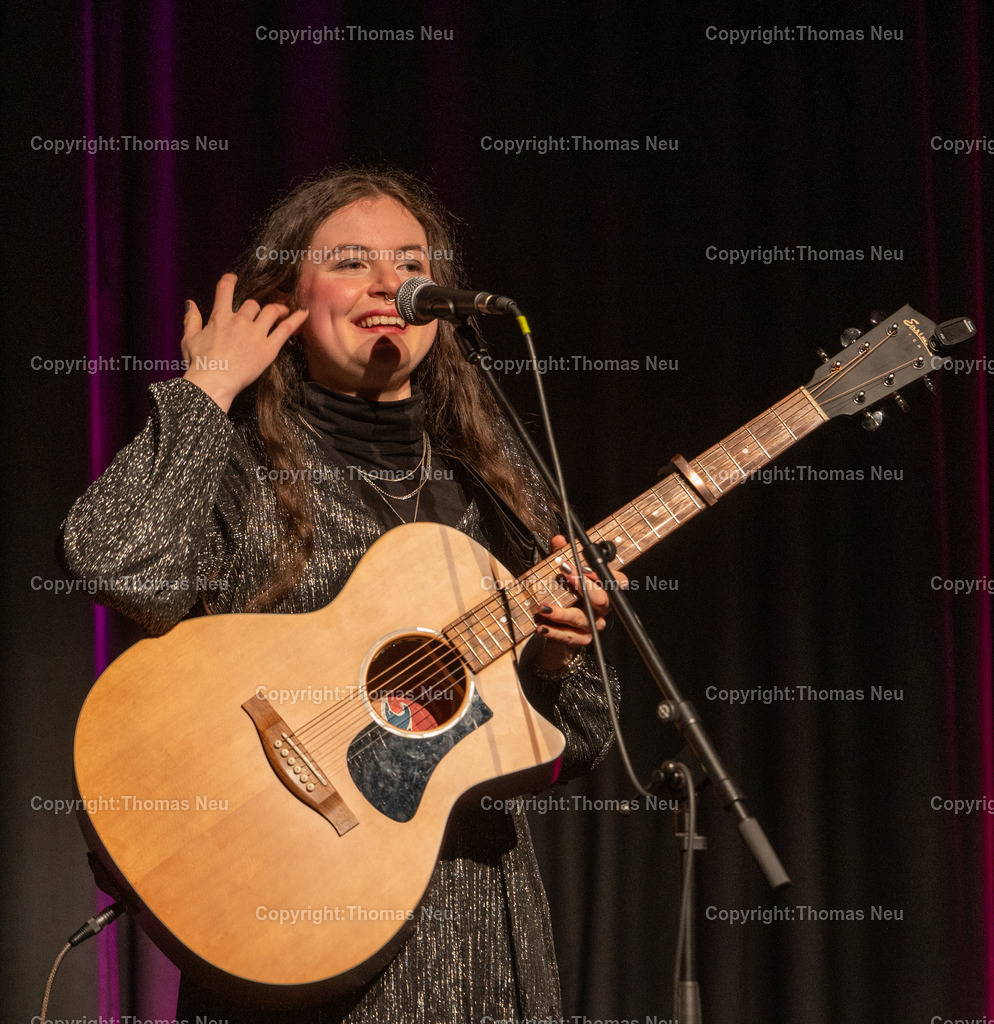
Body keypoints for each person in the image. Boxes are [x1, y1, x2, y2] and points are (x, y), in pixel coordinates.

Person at [59, 166, 624, 1023]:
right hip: (286, 922)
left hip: (474, 932)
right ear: (286, 300)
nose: (391, 284)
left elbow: (584, 735)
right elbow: (119, 561)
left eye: (410, 261)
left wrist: (552, 658)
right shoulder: (241, 466)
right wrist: (207, 391)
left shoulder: (494, 481)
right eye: (352, 261)